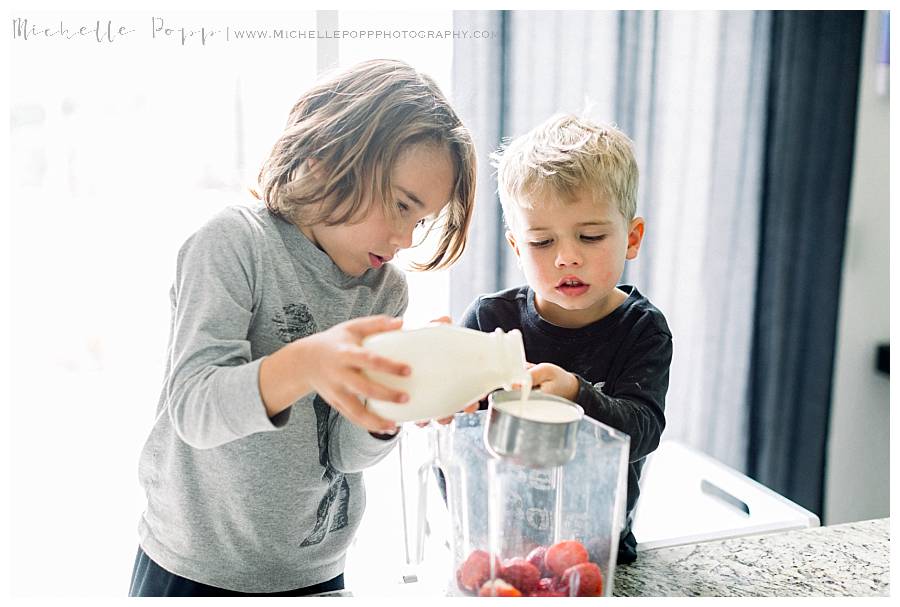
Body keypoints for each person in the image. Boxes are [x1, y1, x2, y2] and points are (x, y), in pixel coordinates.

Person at [129, 59, 477, 596]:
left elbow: (343, 453)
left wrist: (392, 406)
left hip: (315, 572)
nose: (407, 238)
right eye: (401, 205)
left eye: (421, 219)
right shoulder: (234, 245)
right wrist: (308, 362)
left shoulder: (384, 291)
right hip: (195, 569)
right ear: (327, 157)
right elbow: (194, 408)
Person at [461, 114, 672, 565]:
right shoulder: (489, 321)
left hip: (599, 555)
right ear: (517, 248)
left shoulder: (642, 330)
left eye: (591, 236)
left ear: (632, 238)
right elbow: (461, 443)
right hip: (500, 551)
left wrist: (577, 394)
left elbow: (644, 432)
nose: (567, 257)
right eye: (541, 242)